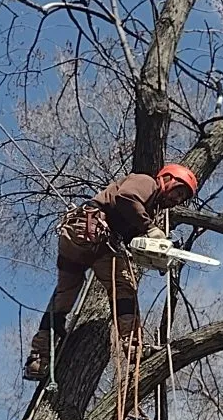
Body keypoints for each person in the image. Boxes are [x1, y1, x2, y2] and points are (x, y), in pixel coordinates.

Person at [23, 163, 198, 382]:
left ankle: (39, 358)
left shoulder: (148, 208)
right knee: (124, 287)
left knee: (64, 296)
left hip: (77, 237)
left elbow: (132, 236)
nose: (176, 200)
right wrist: (150, 228)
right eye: (177, 192)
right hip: (94, 233)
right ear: (168, 180)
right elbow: (126, 197)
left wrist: (156, 256)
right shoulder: (147, 183)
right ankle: (134, 348)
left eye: (181, 199)